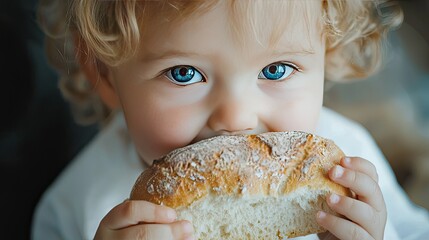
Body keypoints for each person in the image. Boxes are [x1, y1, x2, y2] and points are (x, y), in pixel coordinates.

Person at [32, 0, 429, 239]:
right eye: (184, 73)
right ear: (104, 74)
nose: (237, 118)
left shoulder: (350, 169)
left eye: (275, 70)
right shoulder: (77, 205)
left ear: (326, 55)